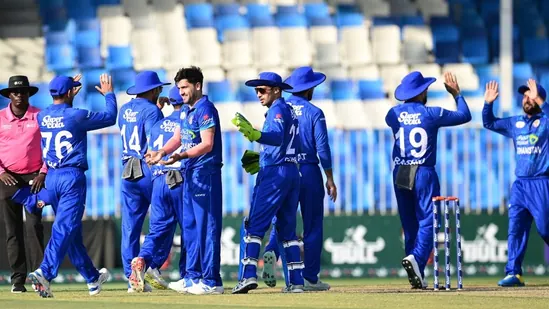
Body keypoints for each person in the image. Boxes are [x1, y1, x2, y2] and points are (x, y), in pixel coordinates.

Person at [28, 73, 116, 298]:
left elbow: (59, 115)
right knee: (65, 227)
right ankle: (45, 272)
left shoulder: (43, 116)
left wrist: (67, 95)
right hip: (71, 177)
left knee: (72, 231)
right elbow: (110, 117)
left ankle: (92, 278)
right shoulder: (76, 115)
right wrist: (109, 94)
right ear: (69, 93)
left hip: (52, 177)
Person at [385, 71, 471, 289]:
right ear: (422, 91)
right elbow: (464, 115)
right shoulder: (432, 113)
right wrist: (457, 94)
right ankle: (417, 259)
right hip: (423, 170)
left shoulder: (392, 113)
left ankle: (418, 273)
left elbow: (396, 121)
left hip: (401, 170)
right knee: (430, 221)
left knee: (409, 223)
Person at [146, 66, 223, 295]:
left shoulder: (206, 108)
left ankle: (211, 281)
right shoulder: (186, 110)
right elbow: (178, 137)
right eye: (179, 88)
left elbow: (207, 143)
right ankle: (192, 276)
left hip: (205, 172)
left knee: (207, 226)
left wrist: (181, 155)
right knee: (190, 227)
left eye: (185, 87)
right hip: (190, 172)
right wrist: (161, 152)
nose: (181, 92)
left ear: (197, 85)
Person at [262, 67, 336, 291]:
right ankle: (309, 278)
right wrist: (329, 177)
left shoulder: (277, 108)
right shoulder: (314, 112)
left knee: (284, 223)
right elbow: (322, 147)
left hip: (284, 170)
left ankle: (272, 251)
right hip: (309, 171)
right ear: (310, 88)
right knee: (313, 225)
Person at [231, 72, 304, 294]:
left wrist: (255, 135)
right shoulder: (289, 109)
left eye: (262, 90)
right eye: (256, 91)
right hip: (291, 170)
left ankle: (248, 276)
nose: (258, 94)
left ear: (276, 90)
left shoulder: (278, 109)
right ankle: (296, 283)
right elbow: (289, 142)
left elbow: (276, 136)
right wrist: (262, 157)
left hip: (276, 174)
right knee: (287, 230)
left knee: (254, 226)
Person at [482, 79, 549, 287]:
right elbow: (489, 123)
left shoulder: (545, 122)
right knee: (515, 229)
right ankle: (514, 273)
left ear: (540, 99)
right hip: (520, 185)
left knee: (545, 229)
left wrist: (541, 101)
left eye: (531, 95)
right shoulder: (515, 123)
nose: (527, 98)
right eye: (525, 95)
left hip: (541, 183)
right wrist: (487, 104)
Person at [129, 86, 189, 292]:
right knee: (188, 229)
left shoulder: (157, 124)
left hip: (158, 180)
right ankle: (187, 275)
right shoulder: (188, 120)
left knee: (156, 230)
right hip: (180, 179)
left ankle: (142, 260)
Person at [118, 71, 169, 293]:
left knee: (129, 226)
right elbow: (154, 140)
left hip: (128, 171)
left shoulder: (124, 109)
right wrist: (159, 113)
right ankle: (150, 265)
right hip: (148, 169)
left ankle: (131, 277)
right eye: (158, 88)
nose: (160, 91)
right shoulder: (151, 111)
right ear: (151, 90)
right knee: (165, 218)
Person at [0, 76, 47, 293]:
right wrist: (0, 172)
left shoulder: (39, 115)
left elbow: (51, 144)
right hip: (7, 179)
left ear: (29, 94)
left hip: (33, 180)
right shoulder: (0, 118)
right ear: (9, 95)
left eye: (24, 92)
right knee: (13, 230)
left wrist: (43, 173)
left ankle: (39, 278)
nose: (20, 95)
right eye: (16, 92)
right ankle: (17, 281)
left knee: (34, 227)